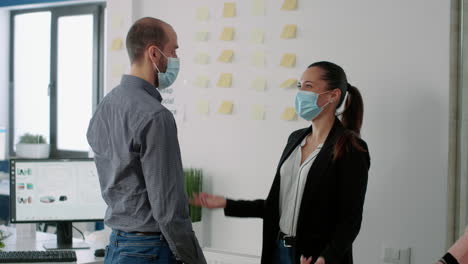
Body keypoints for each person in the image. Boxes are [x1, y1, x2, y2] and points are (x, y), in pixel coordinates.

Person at [191, 61, 370, 264]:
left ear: (333, 95)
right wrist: (226, 203)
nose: (301, 92)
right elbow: (275, 206)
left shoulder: (351, 148)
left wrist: (326, 258)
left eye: (308, 86)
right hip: (278, 251)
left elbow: (350, 220)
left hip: (312, 257)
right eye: (299, 86)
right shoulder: (295, 139)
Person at [87, 17, 206, 264]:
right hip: (151, 250)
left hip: (117, 246)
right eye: (173, 50)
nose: (175, 58)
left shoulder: (105, 106)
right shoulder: (156, 116)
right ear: (154, 53)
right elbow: (169, 210)